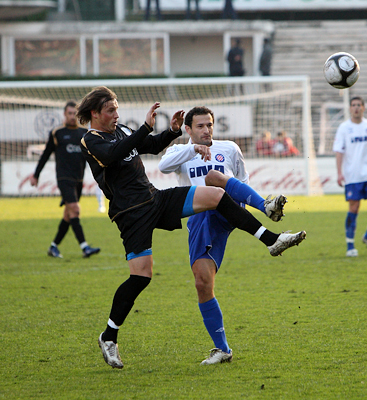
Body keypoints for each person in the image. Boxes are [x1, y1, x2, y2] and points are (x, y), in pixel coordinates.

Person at [77, 86, 305, 369]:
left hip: (154, 199)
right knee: (141, 276)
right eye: (111, 110)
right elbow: (114, 154)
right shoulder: (90, 140)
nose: (116, 115)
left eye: (117, 109)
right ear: (94, 113)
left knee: (216, 194)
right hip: (130, 214)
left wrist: (171, 132)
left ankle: (271, 240)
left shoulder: (122, 130)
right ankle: (109, 336)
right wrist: (145, 128)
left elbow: (147, 146)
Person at [158, 106, 289, 365]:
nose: (206, 130)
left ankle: (266, 206)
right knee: (202, 283)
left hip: (228, 211)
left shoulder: (229, 148)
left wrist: (248, 200)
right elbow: (163, 166)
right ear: (188, 130)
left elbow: (242, 180)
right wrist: (192, 149)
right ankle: (222, 349)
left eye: (209, 125)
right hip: (199, 218)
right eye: (200, 126)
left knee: (214, 176)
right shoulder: (178, 151)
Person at [31, 101, 100, 259]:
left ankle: (53, 247)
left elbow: (93, 156)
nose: (71, 117)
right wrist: (36, 175)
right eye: (69, 113)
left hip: (78, 180)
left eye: (74, 114)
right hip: (64, 178)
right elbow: (46, 154)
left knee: (69, 215)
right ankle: (85, 247)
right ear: (64, 114)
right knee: (75, 210)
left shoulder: (84, 133)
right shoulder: (58, 133)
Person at [333, 96, 367, 258]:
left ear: (363, 108)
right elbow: (339, 151)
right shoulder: (344, 128)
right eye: (353, 105)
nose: (356, 108)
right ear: (350, 108)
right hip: (352, 176)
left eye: (359, 105)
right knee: (354, 208)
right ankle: (350, 245)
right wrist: (339, 172)